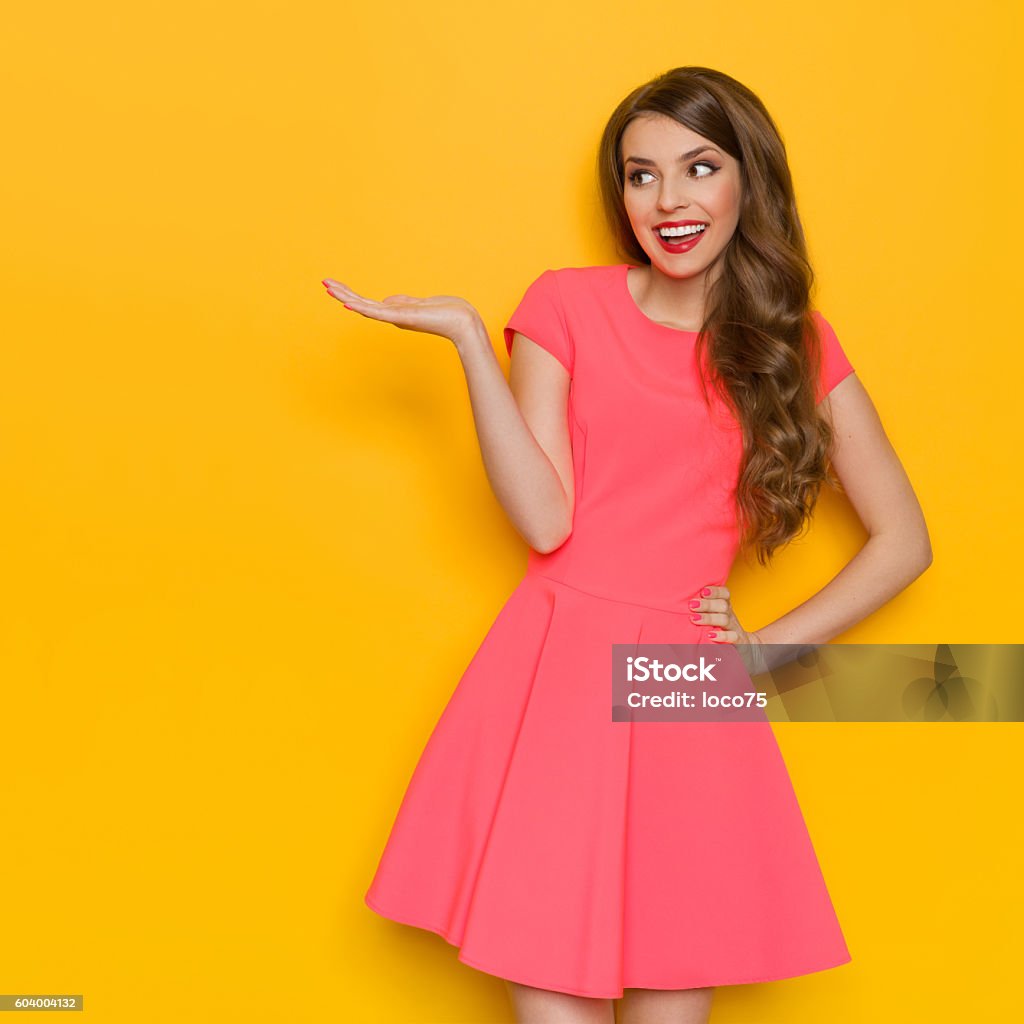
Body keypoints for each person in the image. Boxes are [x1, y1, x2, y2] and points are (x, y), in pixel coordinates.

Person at [324, 66, 931, 1024]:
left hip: (683, 684)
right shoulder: (565, 305)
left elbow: (904, 541)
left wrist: (765, 652)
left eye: (699, 168)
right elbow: (546, 521)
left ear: (749, 183)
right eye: (641, 175)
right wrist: (474, 345)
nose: (669, 200)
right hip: (558, 672)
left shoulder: (795, 345)